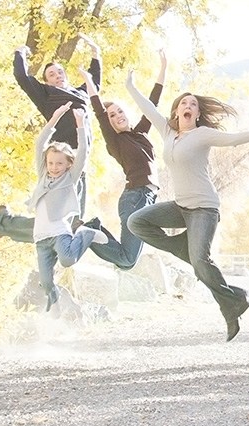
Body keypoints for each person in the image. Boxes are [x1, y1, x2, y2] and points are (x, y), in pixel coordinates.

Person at [124, 68, 249, 342]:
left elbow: (234, 140)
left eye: (193, 104)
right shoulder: (167, 131)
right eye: (184, 103)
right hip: (181, 207)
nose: (188, 106)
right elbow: (148, 108)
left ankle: (231, 303)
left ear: (197, 114)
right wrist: (130, 86)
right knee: (136, 222)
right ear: (177, 111)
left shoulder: (203, 134)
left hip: (204, 208)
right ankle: (232, 294)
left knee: (200, 262)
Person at [0, 103, 107, 312]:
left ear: (68, 164)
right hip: (41, 238)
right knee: (45, 282)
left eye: (59, 164)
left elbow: (83, 152)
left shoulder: (69, 179)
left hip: (59, 233)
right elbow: (40, 144)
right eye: (51, 163)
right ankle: (54, 303)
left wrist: (80, 124)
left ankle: (87, 234)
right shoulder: (43, 176)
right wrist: (55, 117)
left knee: (68, 259)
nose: (54, 167)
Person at [82, 50, 168, 270]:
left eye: (119, 111)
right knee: (127, 260)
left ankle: (93, 229)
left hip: (147, 198)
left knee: (127, 262)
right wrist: (89, 80)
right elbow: (98, 111)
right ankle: (88, 231)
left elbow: (153, 103)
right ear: (109, 123)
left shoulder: (140, 133)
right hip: (135, 197)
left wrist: (163, 67)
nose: (117, 115)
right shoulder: (115, 141)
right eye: (112, 115)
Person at [12, 35, 101, 216]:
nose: (57, 75)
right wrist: (20, 53)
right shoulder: (46, 94)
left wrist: (95, 53)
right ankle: (6, 221)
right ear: (47, 82)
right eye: (51, 74)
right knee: (59, 214)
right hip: (61, 160)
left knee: (76, 215)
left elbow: (95, 82)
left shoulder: (82, 93)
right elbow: (22, 77)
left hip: (81, 157)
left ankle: (10, 222)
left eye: (60, 72)